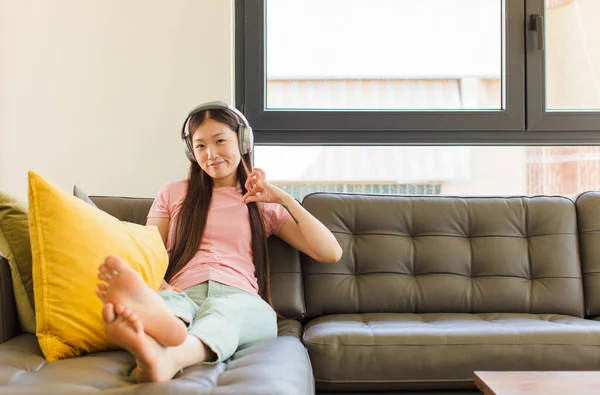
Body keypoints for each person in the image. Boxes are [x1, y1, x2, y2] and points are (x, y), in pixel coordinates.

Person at [95, 101, 343, 383]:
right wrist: (160, 284)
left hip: (241, 299)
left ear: (243, 141)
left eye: (220, 141)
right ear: (191, 151)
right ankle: (161, 328)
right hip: (183, 291)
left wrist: (282, 199)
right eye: (200, 146)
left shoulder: (262, 203)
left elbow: (330, 252)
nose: (210, 154)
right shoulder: (173, 193)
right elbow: (151, 251)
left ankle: (169, 352)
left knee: (223, 312)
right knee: (173, 305)